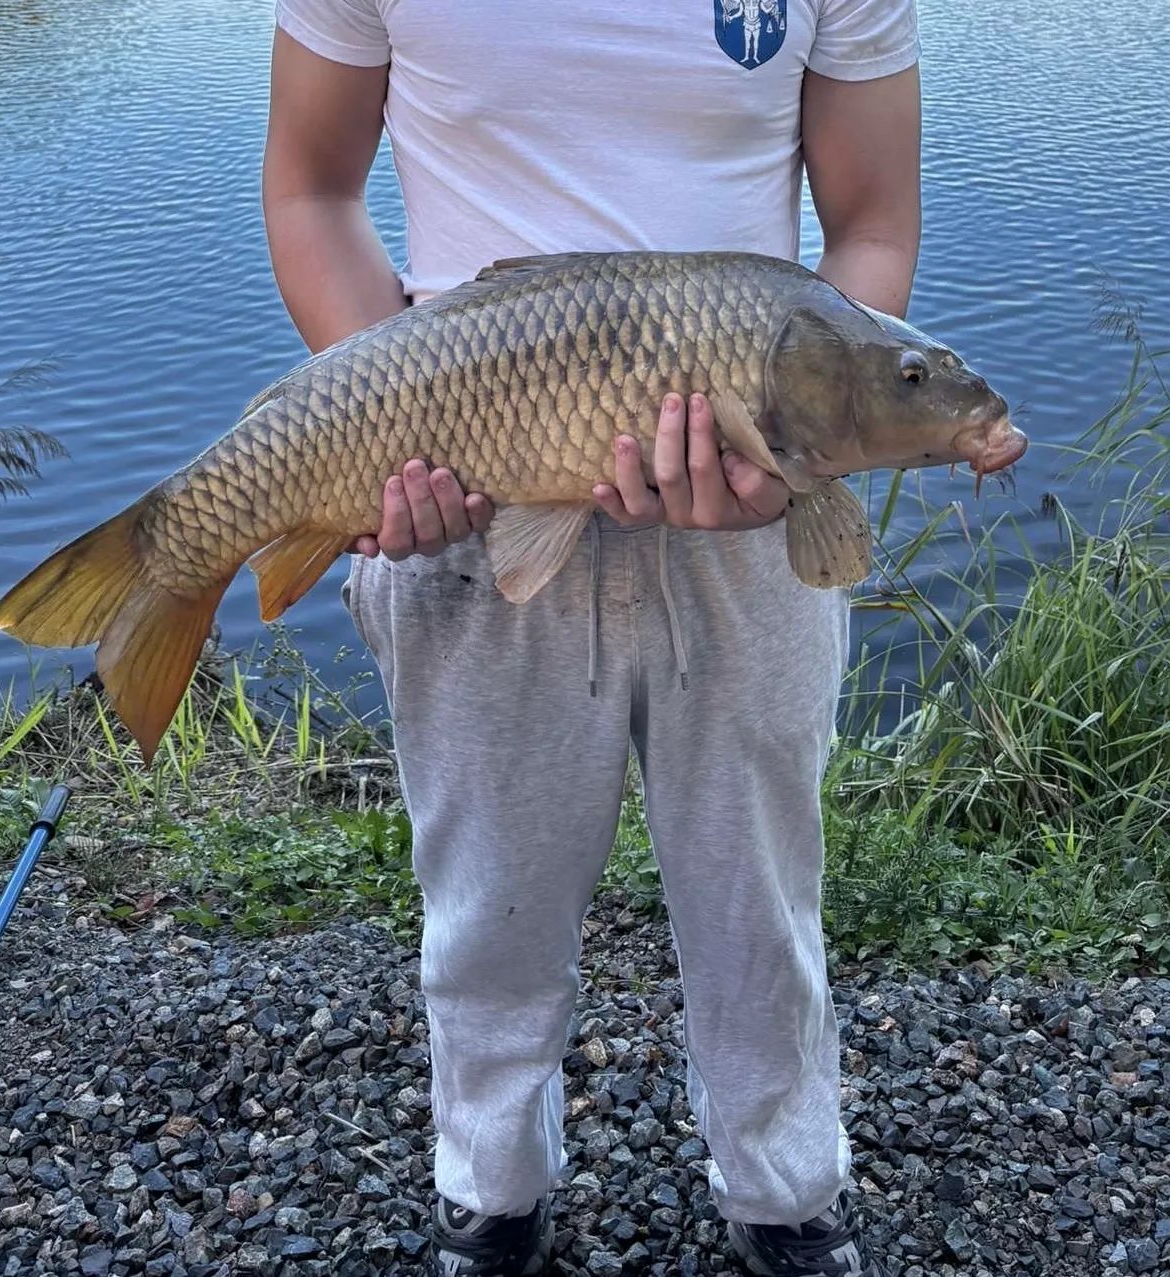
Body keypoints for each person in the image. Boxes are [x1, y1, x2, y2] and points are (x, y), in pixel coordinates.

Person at [261, 2, 923, 1273]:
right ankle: (491, 1190)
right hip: (467, 461)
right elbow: (310, 188)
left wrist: (800, 447)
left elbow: (873, 225)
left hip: (754, 478)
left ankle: (786, 1191)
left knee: (759, 897)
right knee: (487, 905)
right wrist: (382, 412)